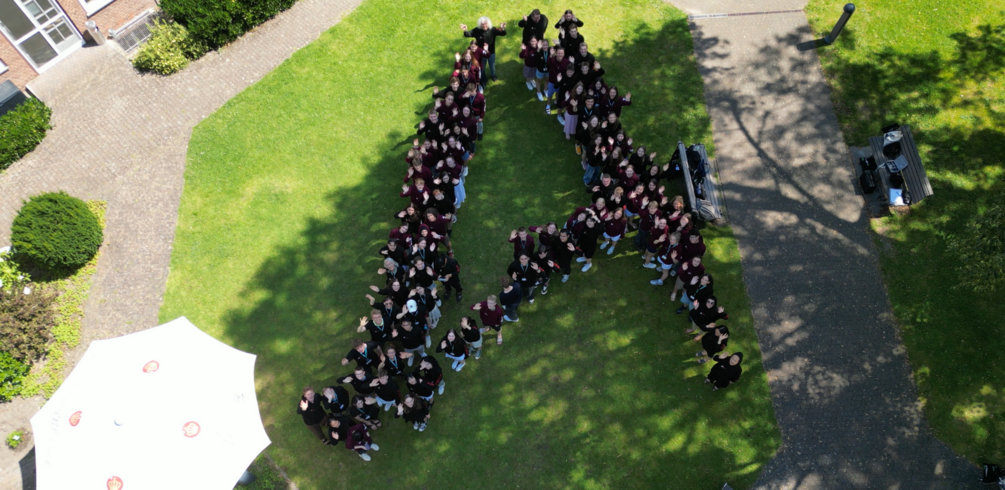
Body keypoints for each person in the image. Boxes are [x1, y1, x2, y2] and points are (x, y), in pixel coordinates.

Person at [461, 17, 507, 82]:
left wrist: (502, 28)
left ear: (488, 23)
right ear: (480, 24)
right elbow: (468, 34)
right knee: (482, 66)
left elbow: (503, 33)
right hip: (481, 53)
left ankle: (493, 75)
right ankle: (482, 77)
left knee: (492, 65)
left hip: (491, 52)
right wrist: (465, 30)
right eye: (482, 24)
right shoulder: (477, 30)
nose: (484, 25)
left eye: (485, 24)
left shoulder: (493, 29)